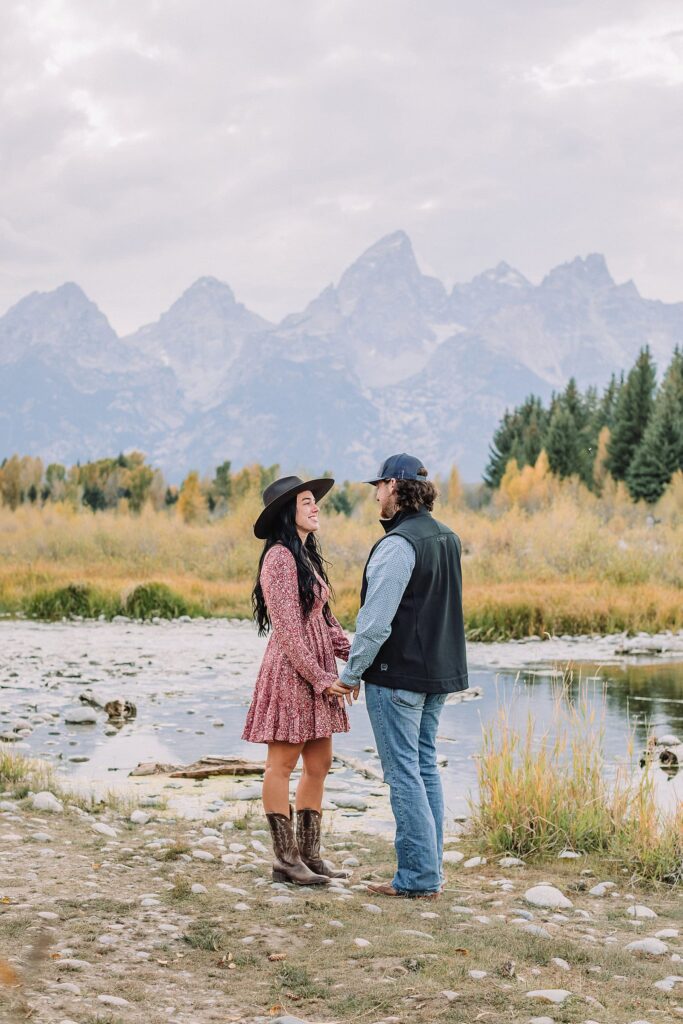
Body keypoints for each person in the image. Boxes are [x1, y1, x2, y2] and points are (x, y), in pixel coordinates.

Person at [338, 454, 468, 899]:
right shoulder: (447, 537)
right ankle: (429, 875)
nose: (375, 495)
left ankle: (417, 879)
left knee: (404, 774)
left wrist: (352, 673)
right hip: (438, 676)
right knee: (424, 767)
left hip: (397, 678)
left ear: (394, 486)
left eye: (378, 486)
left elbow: (375, 622)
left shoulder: (397, 545)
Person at [242, 475, 358, 885]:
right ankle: (285, 861)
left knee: (320, 762)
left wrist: (357, 657)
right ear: (287, 512)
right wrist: (323, 679)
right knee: (281, 764)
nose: (316, 507)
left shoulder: (306, 556)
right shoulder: (278, 558)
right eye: (307, 502)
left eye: (315, 502)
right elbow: (289, 631)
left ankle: (310, 855)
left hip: (318, 671)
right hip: (293, 672)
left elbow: (324, 623)